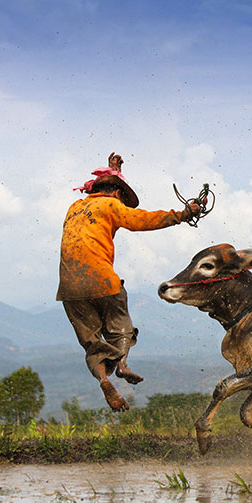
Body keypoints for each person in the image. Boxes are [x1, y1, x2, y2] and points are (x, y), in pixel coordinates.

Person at [57, 152, 201, 412]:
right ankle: (122, 364)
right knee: (121, 328)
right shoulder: (110, 205)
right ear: (115, 194)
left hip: (68, 288)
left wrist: (114, 171)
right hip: (101, 280)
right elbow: (140, 220)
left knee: (92, 342)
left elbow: (107, 195)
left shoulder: (74, 208)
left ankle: (103, 380)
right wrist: (181, 214)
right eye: (121, 196)